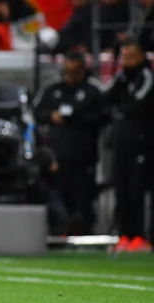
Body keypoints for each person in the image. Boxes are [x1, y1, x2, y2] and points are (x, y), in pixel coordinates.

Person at [33, 52, 103, 234]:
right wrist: (51, 116)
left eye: (74, 72)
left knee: (82, 196)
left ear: (82, 70)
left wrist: (74, 118)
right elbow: (37, 112)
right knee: (56, 196)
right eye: (67, 72)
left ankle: (84, 234)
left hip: (83, 156)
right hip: (57, 156)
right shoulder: (52, 88)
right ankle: (57, 233)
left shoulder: (92, 90)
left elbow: (102, 116)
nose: (70, 76)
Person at [103, 40, 154, 252]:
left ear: (142, 56)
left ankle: (141, 235)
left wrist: (119, 109)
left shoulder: (147, 77)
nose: (127, 61)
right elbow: (105, 98)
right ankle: (125, 234)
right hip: (122, 143)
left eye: (131, 56)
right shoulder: (123, 77)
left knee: (137, 190)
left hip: (142, 144)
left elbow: (136, 105)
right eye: (124, 56)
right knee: (122, 189)